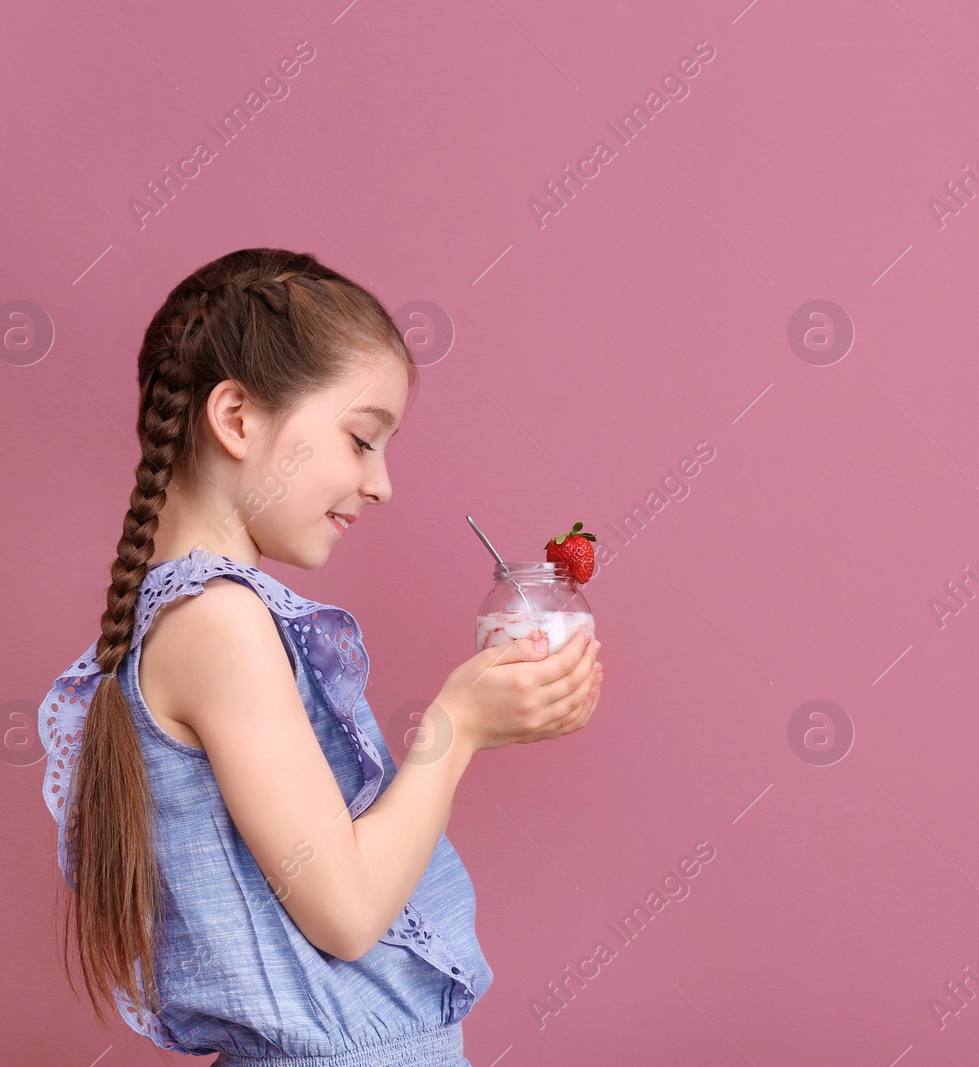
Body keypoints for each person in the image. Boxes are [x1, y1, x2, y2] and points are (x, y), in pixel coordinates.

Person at [36, 248, 603, 1066]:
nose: (382, 484)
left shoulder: (199, 617)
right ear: (236, 419)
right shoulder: (219, 623)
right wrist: (457, 728)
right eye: (362, 439)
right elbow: (345, 908)